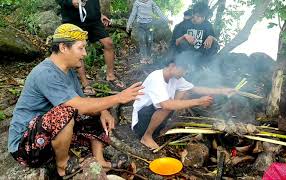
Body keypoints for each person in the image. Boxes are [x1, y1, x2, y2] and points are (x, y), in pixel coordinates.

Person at [8, 24, 143, 179]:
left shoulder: (69, 71)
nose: (85, 53)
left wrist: (104, 111)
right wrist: (118, 97)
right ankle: (62, 166)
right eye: (81, 48)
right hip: (26, 146)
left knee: (97, 109)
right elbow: (78, 106)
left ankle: (100, 160)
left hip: (47, 137)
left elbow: (85, 102)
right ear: (64, 47)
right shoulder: (44, 73)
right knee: (66, 111)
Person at [131, 52, 235, 149]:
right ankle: (146, 137)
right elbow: (166, 105)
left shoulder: (176, 79)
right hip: (141, 121)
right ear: (172, 66)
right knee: (167, 105)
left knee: (185, 91)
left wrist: (222, 91)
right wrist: (198, 101)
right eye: (184, 69)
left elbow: (195, 88)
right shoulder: (156, 77)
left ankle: (159, 128)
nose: (185, 72)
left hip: (152, 116)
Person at [57, 0, 125, 94]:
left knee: (108, 43)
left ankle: (110, 75)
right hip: (74, 20)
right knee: (78, 49)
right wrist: (71, 2)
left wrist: (99, 14)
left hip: (94, 20)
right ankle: (85, 83)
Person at [126, 0, 172, 64]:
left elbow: (158, 11)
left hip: (150, 25)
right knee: (142, 40)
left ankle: (149, 57)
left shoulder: (151, 2)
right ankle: (143, 57)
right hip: (140, 25)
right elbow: (133, 14)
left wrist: (166, 20)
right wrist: (128, 25)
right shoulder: (137, 2)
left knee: (149, 40)